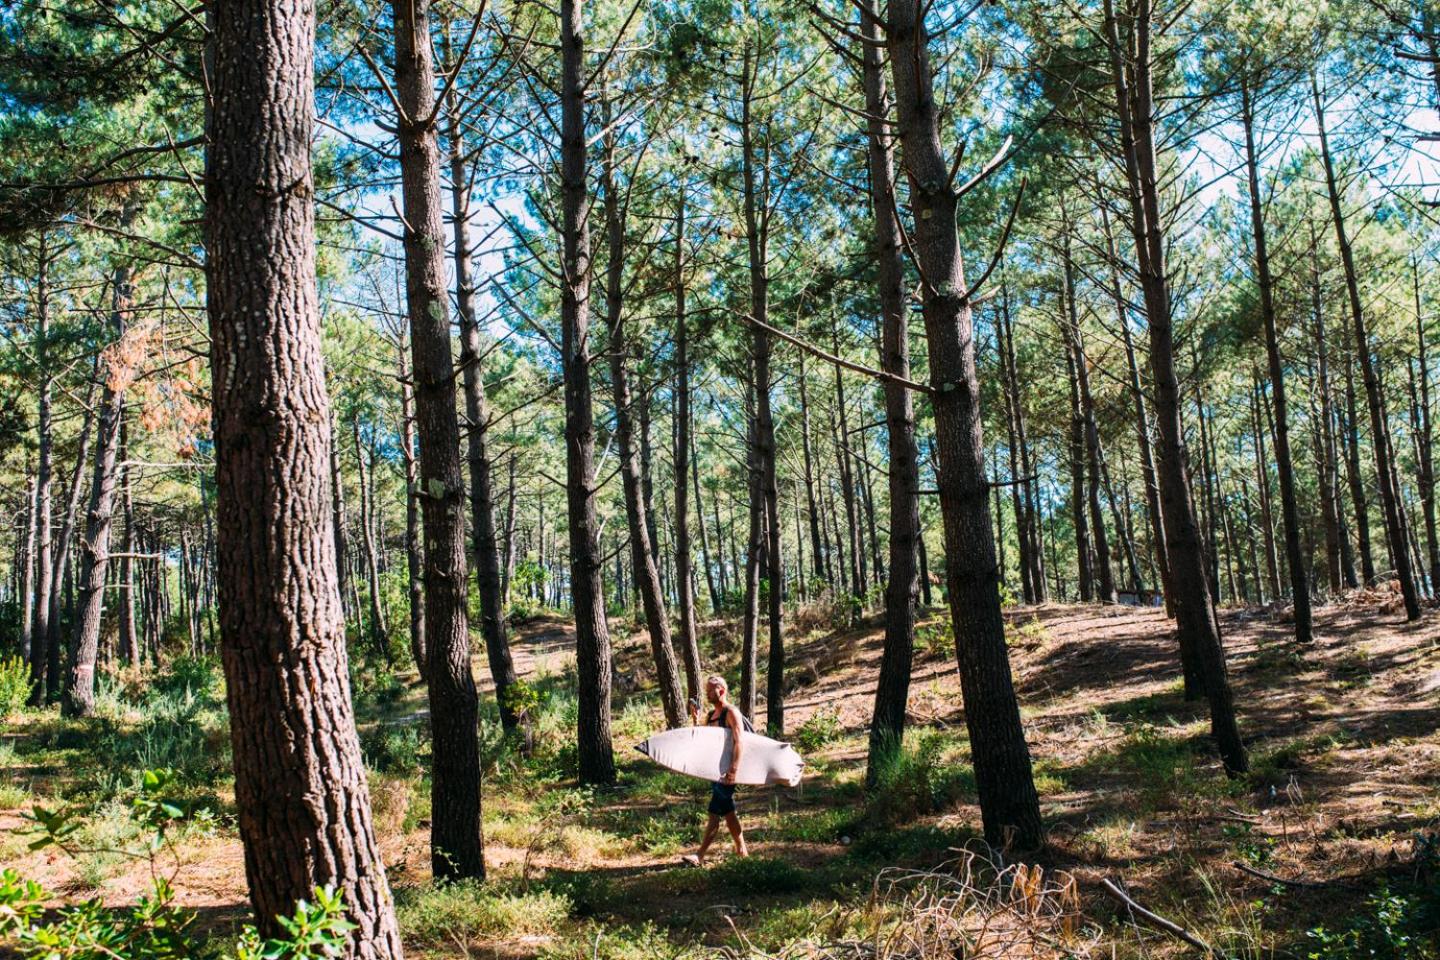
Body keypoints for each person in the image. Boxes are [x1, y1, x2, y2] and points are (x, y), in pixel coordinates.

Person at [682, 675, 749, 866]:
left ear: (722, 690)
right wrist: (696, 720)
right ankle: (742, 851)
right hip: (716, 771)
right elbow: (704, 741)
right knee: (728, 811)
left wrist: (733, 769)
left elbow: (739, 741)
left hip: (728, 771)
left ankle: (699, 855)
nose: (707, 693)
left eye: (711, 690)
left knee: (714, 812)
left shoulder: (731, 712)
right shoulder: (712, 715)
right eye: (707, 690)